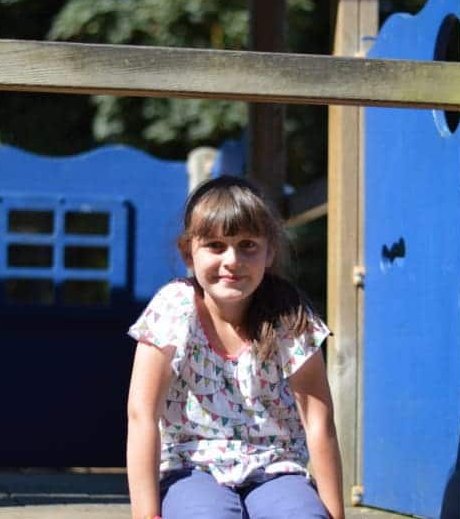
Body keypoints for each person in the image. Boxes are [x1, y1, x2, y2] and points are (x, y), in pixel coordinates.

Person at [126, 176, 344, 519]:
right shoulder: (173, 310)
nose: (232, 260)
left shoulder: (288, 314)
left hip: (276, 466)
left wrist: (334, 513)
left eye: (248, 245)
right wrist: (145, 514)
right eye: (215, 245)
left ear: (269, 250)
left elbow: (318, 421)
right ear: (188, 251)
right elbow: (142, 415)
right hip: (192, 466)